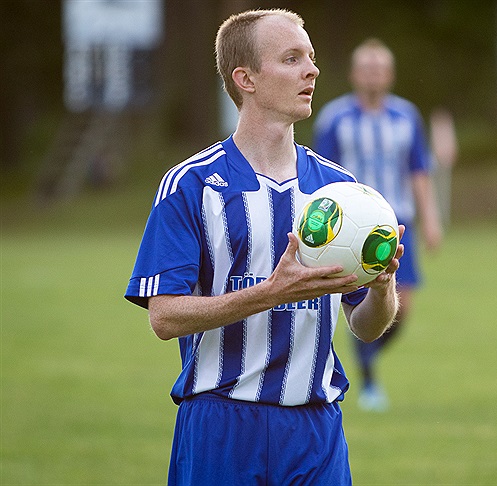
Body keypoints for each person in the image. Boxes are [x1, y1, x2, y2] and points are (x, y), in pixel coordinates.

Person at [124, 9, 403, 485]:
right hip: (220, 427)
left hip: (315, 432)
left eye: (311, 57)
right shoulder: (192, 185)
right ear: (245, 79)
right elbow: (164, 317)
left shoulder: (340, 193)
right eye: (292, 59)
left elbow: (366, 326)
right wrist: (271, 293)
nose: (312, 70)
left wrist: (382, 288)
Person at [313, 38, 442, 411]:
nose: (373, 75)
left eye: (379, 68)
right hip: (350, 229)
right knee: (361, 299)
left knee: (403, 307)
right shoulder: (335, 118)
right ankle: (369, 380)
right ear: (354, 74)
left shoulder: (406, 116)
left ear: (390, 75)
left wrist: (431, 219)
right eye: (366, 68)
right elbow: (320, 176)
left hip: (399, 223)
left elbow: (418, 171)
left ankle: (364, 358)